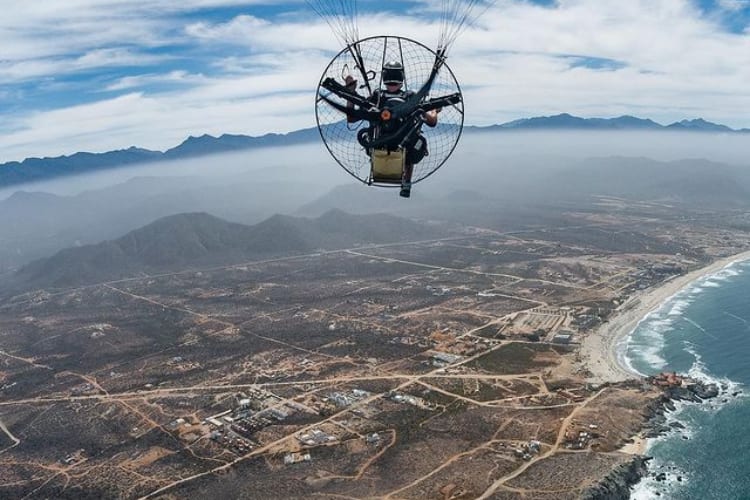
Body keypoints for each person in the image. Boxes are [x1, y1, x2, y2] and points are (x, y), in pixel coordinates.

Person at [344, 61, 438, 198]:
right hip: (406, 149)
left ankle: (398, 176)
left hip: (378, 145)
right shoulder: (410, 97)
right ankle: (407, 182)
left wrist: (350, 94)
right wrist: (434, 110)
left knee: (406, 144)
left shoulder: (377, 98)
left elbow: (351, 119)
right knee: (412, 144)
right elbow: (432, 121)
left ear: (384, 78)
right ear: (402, 77)